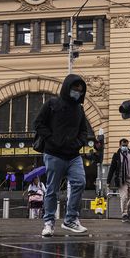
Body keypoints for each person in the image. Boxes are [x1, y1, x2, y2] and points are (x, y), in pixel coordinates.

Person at [32, 74, 90, 237]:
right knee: (52, 190)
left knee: (80, 182)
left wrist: (79, 142)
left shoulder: (79, 109)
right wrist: (52, 139)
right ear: (67, 87)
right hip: (54, 154)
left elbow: (84, 130)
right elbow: (38, 124)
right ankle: (49, 222)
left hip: (73, 155)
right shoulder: (52, 103)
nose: (77, 92)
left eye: (80, 90)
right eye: (75, 89)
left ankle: (70, 219)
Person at [107, 138, 130, 223]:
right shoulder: (116, 155)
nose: (125, 147)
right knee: (124, 197)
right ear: (119, 145)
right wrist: (108, 181)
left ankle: (127, 210)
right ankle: (124, 214)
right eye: (123, 145)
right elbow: (112, 168)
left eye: (126, 145)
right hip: (122, 180)